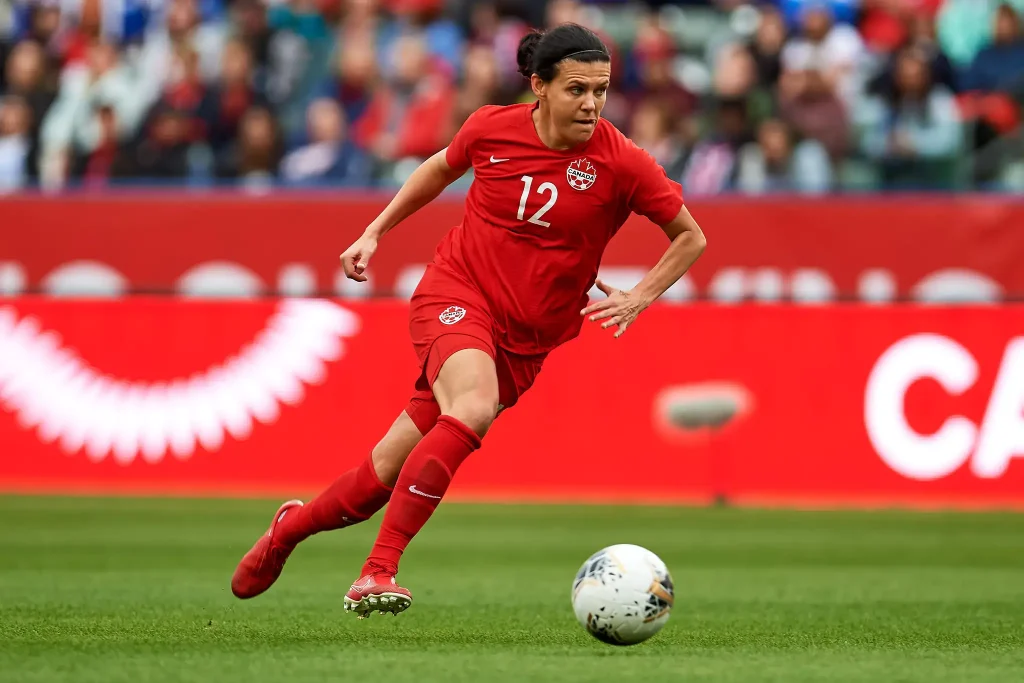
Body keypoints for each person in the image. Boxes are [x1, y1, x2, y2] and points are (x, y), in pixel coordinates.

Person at [230, 23, 707, 617]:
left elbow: (689, 236)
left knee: (379, 475)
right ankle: (377, 571)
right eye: (576, 90)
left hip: (527, 341)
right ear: (540, 86)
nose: (591, 104)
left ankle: (288, 529)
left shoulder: (621, 161)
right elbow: (437, 169)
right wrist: (374, 232)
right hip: (457, 293)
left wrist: (640, 295)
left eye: (602, 90)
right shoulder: (491, 127)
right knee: (473, 407)